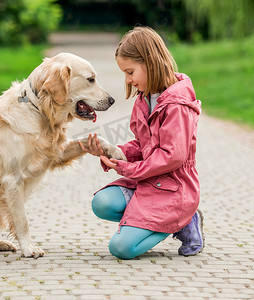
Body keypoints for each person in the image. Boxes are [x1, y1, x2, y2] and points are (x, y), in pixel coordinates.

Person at [79, 26, 204, 260]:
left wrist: (127, 169)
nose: (127, 80)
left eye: (130, 72)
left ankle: (184, 220)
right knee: (102, 203)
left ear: (150, 62)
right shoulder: (144, 100)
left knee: (121, 248)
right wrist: (114, 152)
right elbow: (143, 145)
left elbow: (171, 157)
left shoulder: (177, 106)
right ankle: (163, 221)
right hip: (149, 181)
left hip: (174, 189)